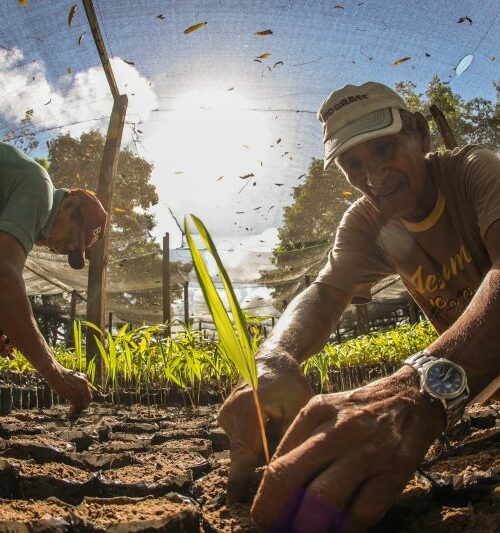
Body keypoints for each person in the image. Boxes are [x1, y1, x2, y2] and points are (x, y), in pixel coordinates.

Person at [217, 82, 500, 532]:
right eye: (353, 164)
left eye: (385, 148)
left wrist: (416, 389)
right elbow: (325, 294)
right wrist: (272, 357)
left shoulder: (473, 172)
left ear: (422, 135)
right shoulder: (366, 220)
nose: (374, 177)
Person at [0, 141, 108, 413]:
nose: (62, 248)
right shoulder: (40, 188)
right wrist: (54, 371)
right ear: (69, 203)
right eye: (72, 238)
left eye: (71, 250)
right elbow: (4, 275)